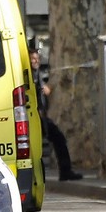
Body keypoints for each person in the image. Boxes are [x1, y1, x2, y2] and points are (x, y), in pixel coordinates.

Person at [29, 48, 82, 181]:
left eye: (37, 59)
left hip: (40, 116)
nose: (36, 61)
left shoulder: (36, 73)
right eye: (33, 59)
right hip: (35, 116)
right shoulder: (30, 75)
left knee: (58, 139)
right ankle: (63, 172)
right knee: (56, 139)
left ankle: (65, 172)